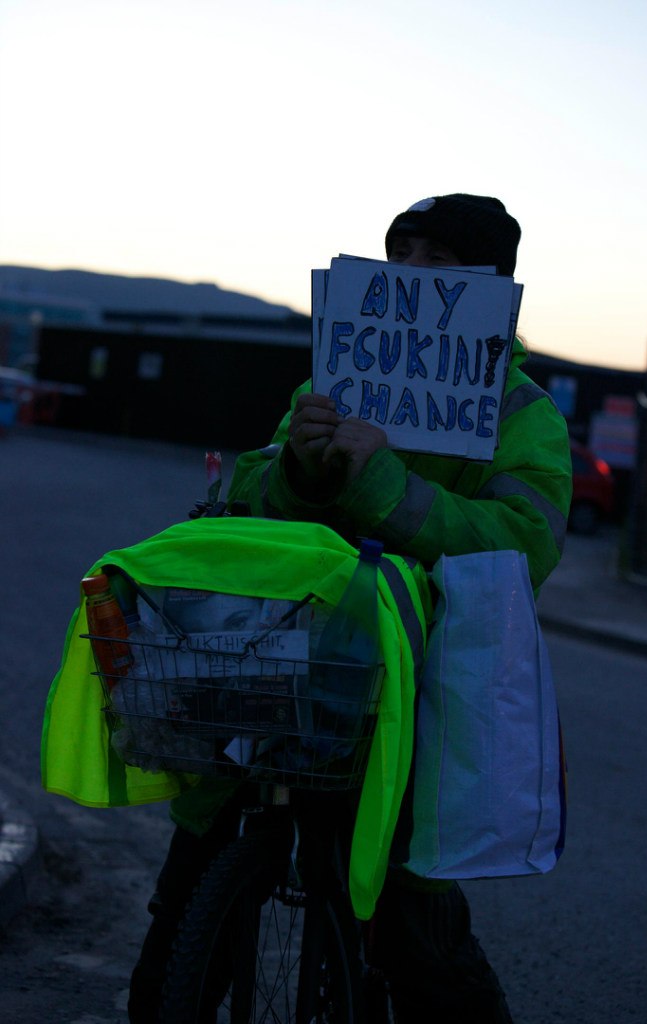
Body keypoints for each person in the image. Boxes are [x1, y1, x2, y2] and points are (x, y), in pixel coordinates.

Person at [128, 193, 572, 1023]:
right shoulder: (331, 378)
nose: (409, 273)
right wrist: (296, 470)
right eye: (400, 254)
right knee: (188, 908)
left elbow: (522, 546)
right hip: (283, 663)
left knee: (417, 936)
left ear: (491, 286)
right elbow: (249, 500)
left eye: (437, 262)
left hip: (415, 690)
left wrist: (382, 485)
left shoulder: (522, 412)